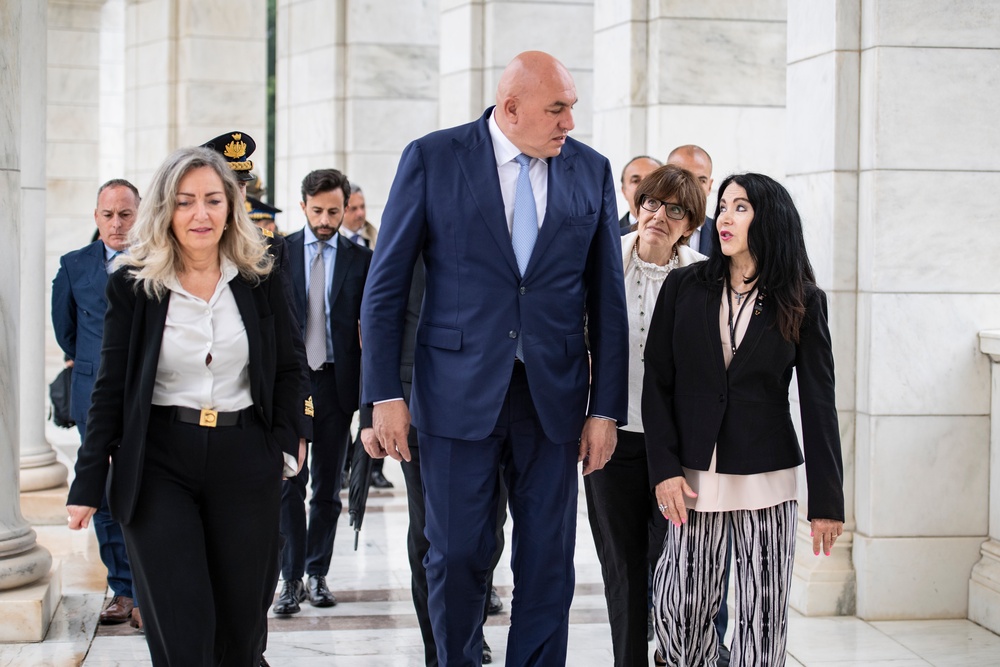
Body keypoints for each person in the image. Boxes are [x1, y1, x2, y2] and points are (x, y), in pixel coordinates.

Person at [361, 50, 628, 666]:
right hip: (453, 394)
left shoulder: (591, 170)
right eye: (557, 109)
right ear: (510, 108)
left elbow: (607, 303)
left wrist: (605, 408)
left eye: (571, 109)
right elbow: (386, 287)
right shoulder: (432, 158)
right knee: (453, 555)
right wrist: (383, 394)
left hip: (554, 402)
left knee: (547, 561)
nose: (568, 122)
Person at [65, 146, 307, 667]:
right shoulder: (134, 284)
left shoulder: (260, 277)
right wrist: (87, 483)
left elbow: (290, 368)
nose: (201, 214)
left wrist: (285, 445)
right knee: (182, 627)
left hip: (245, 457)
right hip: (159, 461)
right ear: (165, 211)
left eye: (213, 200)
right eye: (185, 201)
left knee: (242, 633)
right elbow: (110, 387)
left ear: (230, 208)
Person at [643, 172, 844, 666]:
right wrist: (664, 469)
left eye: (740, 207)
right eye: (724, 206)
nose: (725, 218)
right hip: (693, 474)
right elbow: (657, 383)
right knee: (679, 606)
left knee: (762, 613)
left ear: (768, 218)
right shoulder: (686, 286)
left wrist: (827, 501)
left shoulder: (802, 299)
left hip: (767, 476)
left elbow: (819, 401)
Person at [584, 165, 706, 667]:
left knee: (672, 569)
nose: (659, 215)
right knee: (624, 571)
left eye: (675, 210)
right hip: (608, 438)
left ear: (690, 224)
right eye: (652, 203)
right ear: (637, 206)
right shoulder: (604, 261)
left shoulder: (701, 277)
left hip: (673, 453)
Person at [358, 259, 506, 665]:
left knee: (488, 533)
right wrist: (371, 406)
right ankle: (438, 649)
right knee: (430, 537)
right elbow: (376, 320)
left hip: (490, 405)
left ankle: (466, 630)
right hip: (415, 409)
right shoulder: (409, 228)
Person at [274, 169, 371, 615]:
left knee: (328, 485)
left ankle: (317, 572)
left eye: (334, 211)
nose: (325, 219)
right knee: (290, 479)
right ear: (303, 208)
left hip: (336, 381)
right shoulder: (279, 252)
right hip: (292, 381)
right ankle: (288, 578)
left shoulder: (361, 259)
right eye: (317, 211)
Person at [52, 179, 143, 630]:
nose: (117, 223)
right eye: (108, 215)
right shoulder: (74, 265)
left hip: (145, 394)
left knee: (149, 489)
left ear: (139, 215)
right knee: (103, 493)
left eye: (125, 214)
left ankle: (149, 593)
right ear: (96, 217)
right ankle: (124, 590)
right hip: (93, 396)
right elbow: (65, 330)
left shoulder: (157, 261)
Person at [666, 145, 715, 255]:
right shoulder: (626, 237)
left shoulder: (723, 235)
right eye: (682, 178)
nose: (692, 188)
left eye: (701, 180)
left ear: (709, 186)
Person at [619, 156, 662, 233]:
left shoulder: (678, 232)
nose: (643, 186)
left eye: (650, 179)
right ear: (624, 191)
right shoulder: (610, 235)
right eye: (635, 181)